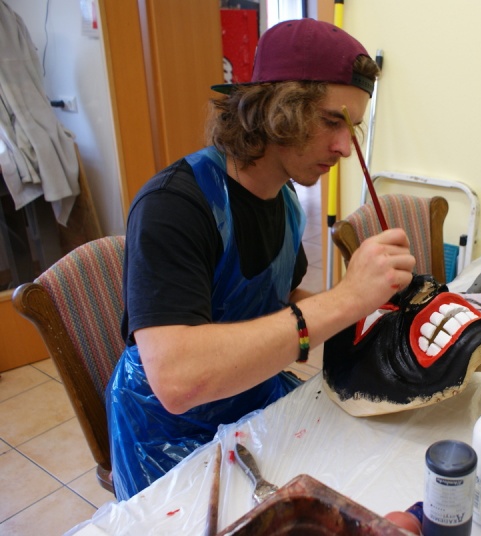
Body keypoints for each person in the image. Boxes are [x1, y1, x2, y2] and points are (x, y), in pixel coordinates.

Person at [105, 19, 415, 501]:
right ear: (277, 109)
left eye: (351, 128)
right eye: (331, 121)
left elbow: (278, 299)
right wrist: (345, 298)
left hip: (249, 396)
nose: (343, 147)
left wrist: (368, 314)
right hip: (165, 429)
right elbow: (177, 380)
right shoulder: (173, 205)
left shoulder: (286, 202)